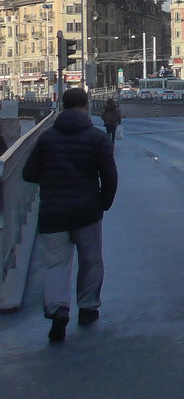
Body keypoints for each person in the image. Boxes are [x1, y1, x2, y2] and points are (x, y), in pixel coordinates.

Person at [23, 87, 118, 342]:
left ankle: (58, 309)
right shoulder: (97, 139)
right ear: (86, 106)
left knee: (56, 264)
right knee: (91, 260)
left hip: (53, 213)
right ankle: (87, 307)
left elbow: (28, 174)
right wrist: (103, 203)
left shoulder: (46, 138)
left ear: (63, 106)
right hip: (87, 211)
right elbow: (110, 177)